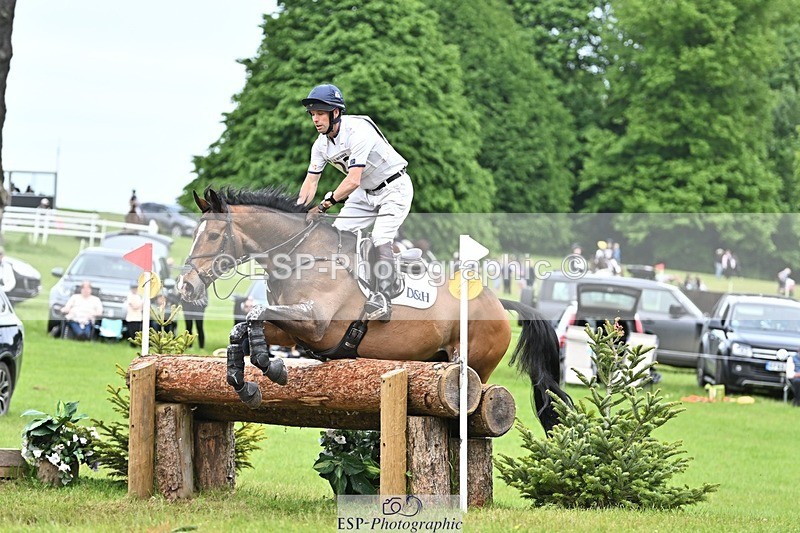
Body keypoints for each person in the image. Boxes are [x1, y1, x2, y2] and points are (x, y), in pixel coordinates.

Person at [297, 84, 413, 321]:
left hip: (394, 187)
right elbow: (310, 183)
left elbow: (352, 180)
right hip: (365, 191)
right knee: (337, 236)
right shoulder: (320, 145)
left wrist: (324, 205)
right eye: (313, 114)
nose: (315, 119)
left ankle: (383, 297)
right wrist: (298, 212)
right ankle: (341, 292)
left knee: (380, 237)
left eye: (320, 113)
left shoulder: (359, 130)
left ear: (335, 113)